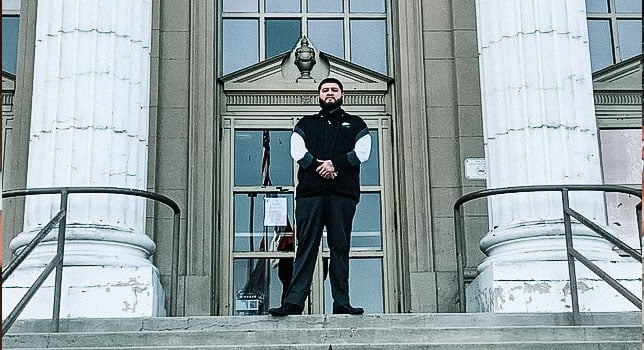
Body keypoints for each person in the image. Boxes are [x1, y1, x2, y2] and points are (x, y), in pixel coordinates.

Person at [269, 77, 371, 316]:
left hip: (342, 195)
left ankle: (342, 302)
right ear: (319, 95)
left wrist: (334, 164)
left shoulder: (356, 124)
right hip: (310, 196)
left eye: (334, 89)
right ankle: (293, 302)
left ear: (342, 94)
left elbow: (363, 151)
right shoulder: (306, 123)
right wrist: (320, 167)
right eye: (325, 90)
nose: (329, 93)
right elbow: (297, 150)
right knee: (305, 247)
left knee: (339, 247)